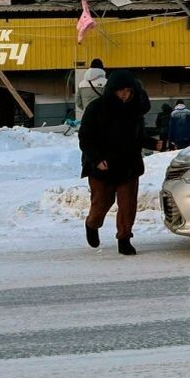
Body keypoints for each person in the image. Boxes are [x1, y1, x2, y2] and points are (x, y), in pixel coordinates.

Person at [78, 70, 150, 256]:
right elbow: (85, 136)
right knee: (102, 203)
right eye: (120, 91)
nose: (125, 94)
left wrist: (155, 143)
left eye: (128, 91)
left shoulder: (135, 110)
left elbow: (138, 137)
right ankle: (92, 224)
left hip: (128, 165)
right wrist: (96, 159)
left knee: (128, 205)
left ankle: (124, 238)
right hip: (102, 165)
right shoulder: (96, 108)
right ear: (112, 91)